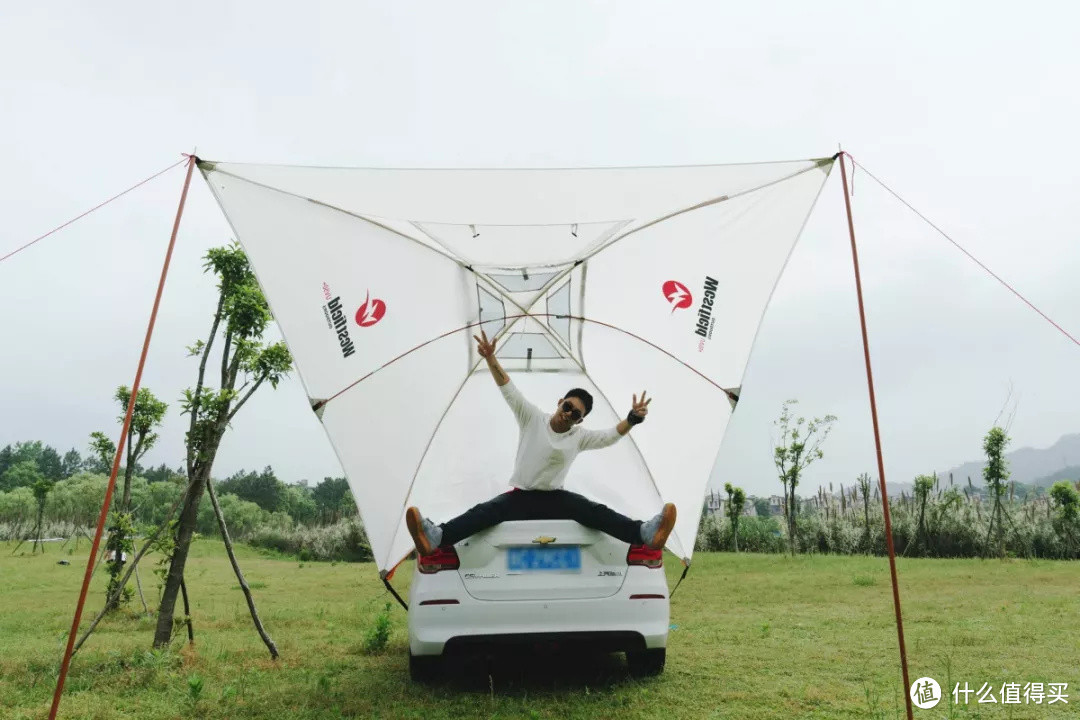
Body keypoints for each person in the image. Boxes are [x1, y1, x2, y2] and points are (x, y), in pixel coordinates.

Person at [405, 329, 677, 556]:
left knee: (595, 511)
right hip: (520, 497)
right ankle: (436, 536)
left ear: (580, 421)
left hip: (555, 499)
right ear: (560, 402)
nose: (568, 414)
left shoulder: (579, 437)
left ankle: (645, 532)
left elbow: (609, 436)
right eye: (568, 406)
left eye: (575, 414)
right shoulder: (531, 418)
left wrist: (631, 419)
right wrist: (490, 358)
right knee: (484, 512)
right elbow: (508, 388)